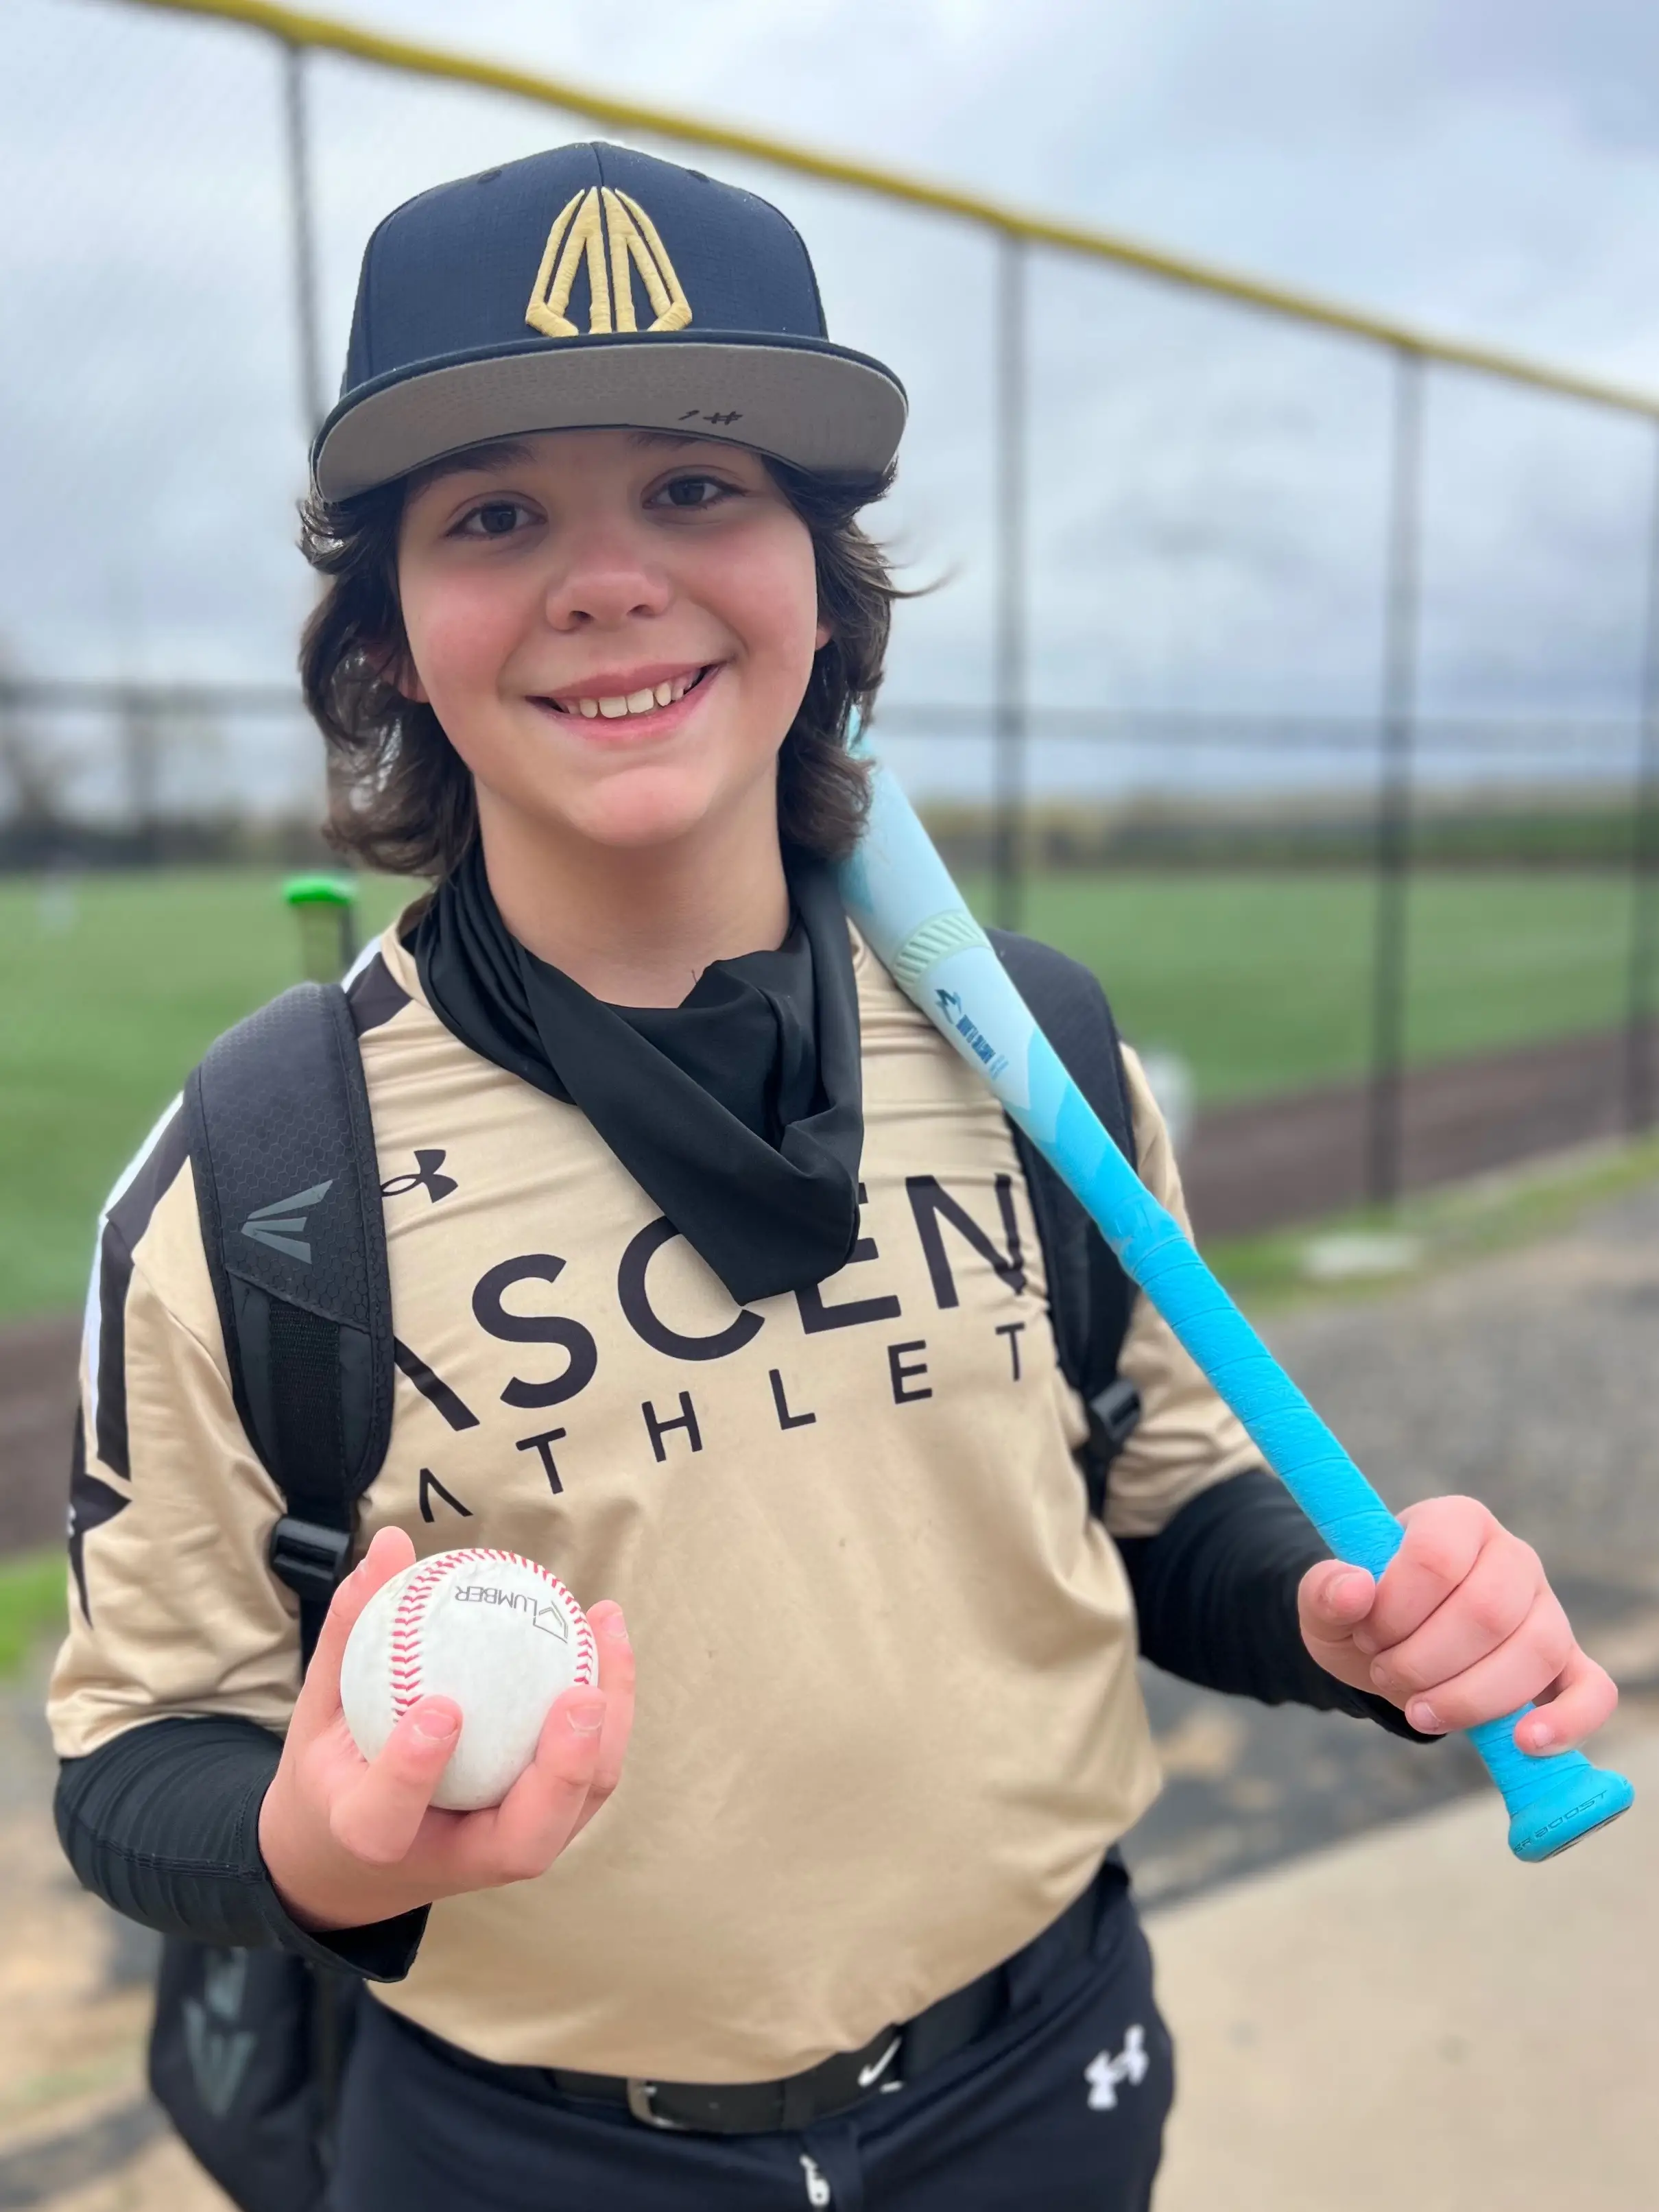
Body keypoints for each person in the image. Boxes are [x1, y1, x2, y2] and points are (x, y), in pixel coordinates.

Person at [49, 142, 1616, 2212]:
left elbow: (1155, 1500)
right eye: (494, 513)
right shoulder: (259, 1177)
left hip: (1037, 2075)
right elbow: (135, 1752)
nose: (609, 579)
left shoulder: (1034, 1047)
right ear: (394, 633)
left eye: (699, 485)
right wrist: (314, 1849)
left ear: (820, 577)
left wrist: (1344, 1618)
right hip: (530, 2146)